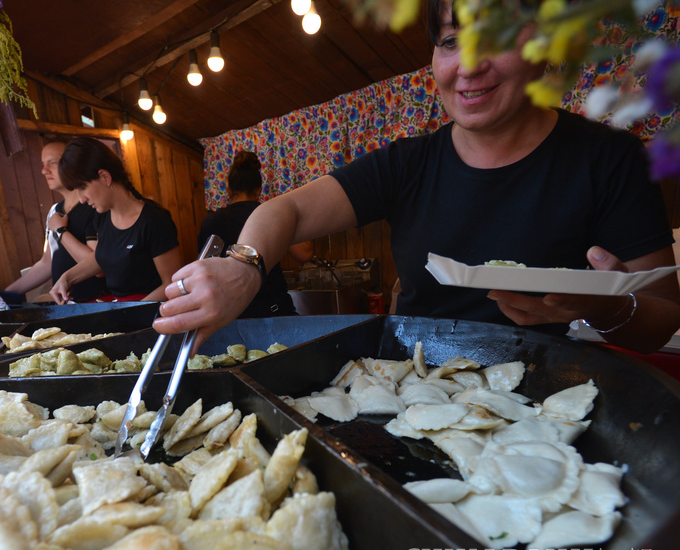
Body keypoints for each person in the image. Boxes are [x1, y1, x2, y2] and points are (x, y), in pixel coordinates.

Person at [154, 0, 680, 355]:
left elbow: (663, 316)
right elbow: (284, 210)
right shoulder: (406, 164)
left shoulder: (609, 159)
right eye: (450, 41)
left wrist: (604, 306)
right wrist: (245, 267)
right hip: (413, 384)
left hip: (545, 390)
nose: (467, 67)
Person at [49, 137, 183, 303]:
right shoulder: (101, 216)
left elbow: (172, 283)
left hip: (155, 314)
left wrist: (131, 313)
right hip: (121, 308)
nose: (81, 199)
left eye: (83, 187)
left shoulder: (154, 221)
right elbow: (102, 256)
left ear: (105, 177)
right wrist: (67, 278)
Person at [197, 150, 313, 318]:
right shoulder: (269, 214)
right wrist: (292, 212)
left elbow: (204, 272)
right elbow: (305, 253)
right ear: (258, 191)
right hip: (274, 311)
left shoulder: (211, 221)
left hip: (231, 316)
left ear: (229, 191)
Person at [3, 140, 104, 303]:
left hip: (94, 304)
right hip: (65, 305)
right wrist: (5, 295)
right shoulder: (54, 211)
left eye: (53, 163)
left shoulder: (94, 206)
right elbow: (47, 263)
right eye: (43, 164)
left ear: (72, 165)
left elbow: (98, 265)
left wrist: (60, 231)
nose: (44, 171)